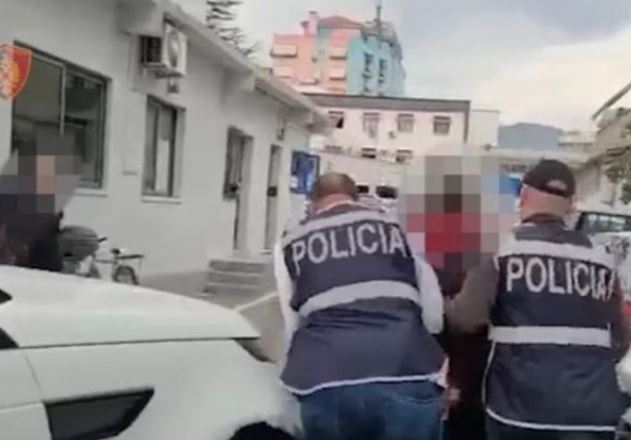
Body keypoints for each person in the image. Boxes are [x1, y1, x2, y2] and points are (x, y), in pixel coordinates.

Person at [447, 159, 629, 440]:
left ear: (523, 196)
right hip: (592, 413)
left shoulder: (500, 248)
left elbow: (467, 319)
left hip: (520, 410)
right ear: (570, 205)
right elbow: (620, 339)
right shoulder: (601, 258)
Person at [274, 172, 446, 440]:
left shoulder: (291, 241)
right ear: (356, 198)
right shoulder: (396, 230)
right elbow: (434, 316)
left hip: (324, 377)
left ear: (313, 202)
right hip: (406, 369)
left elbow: (289, 324)